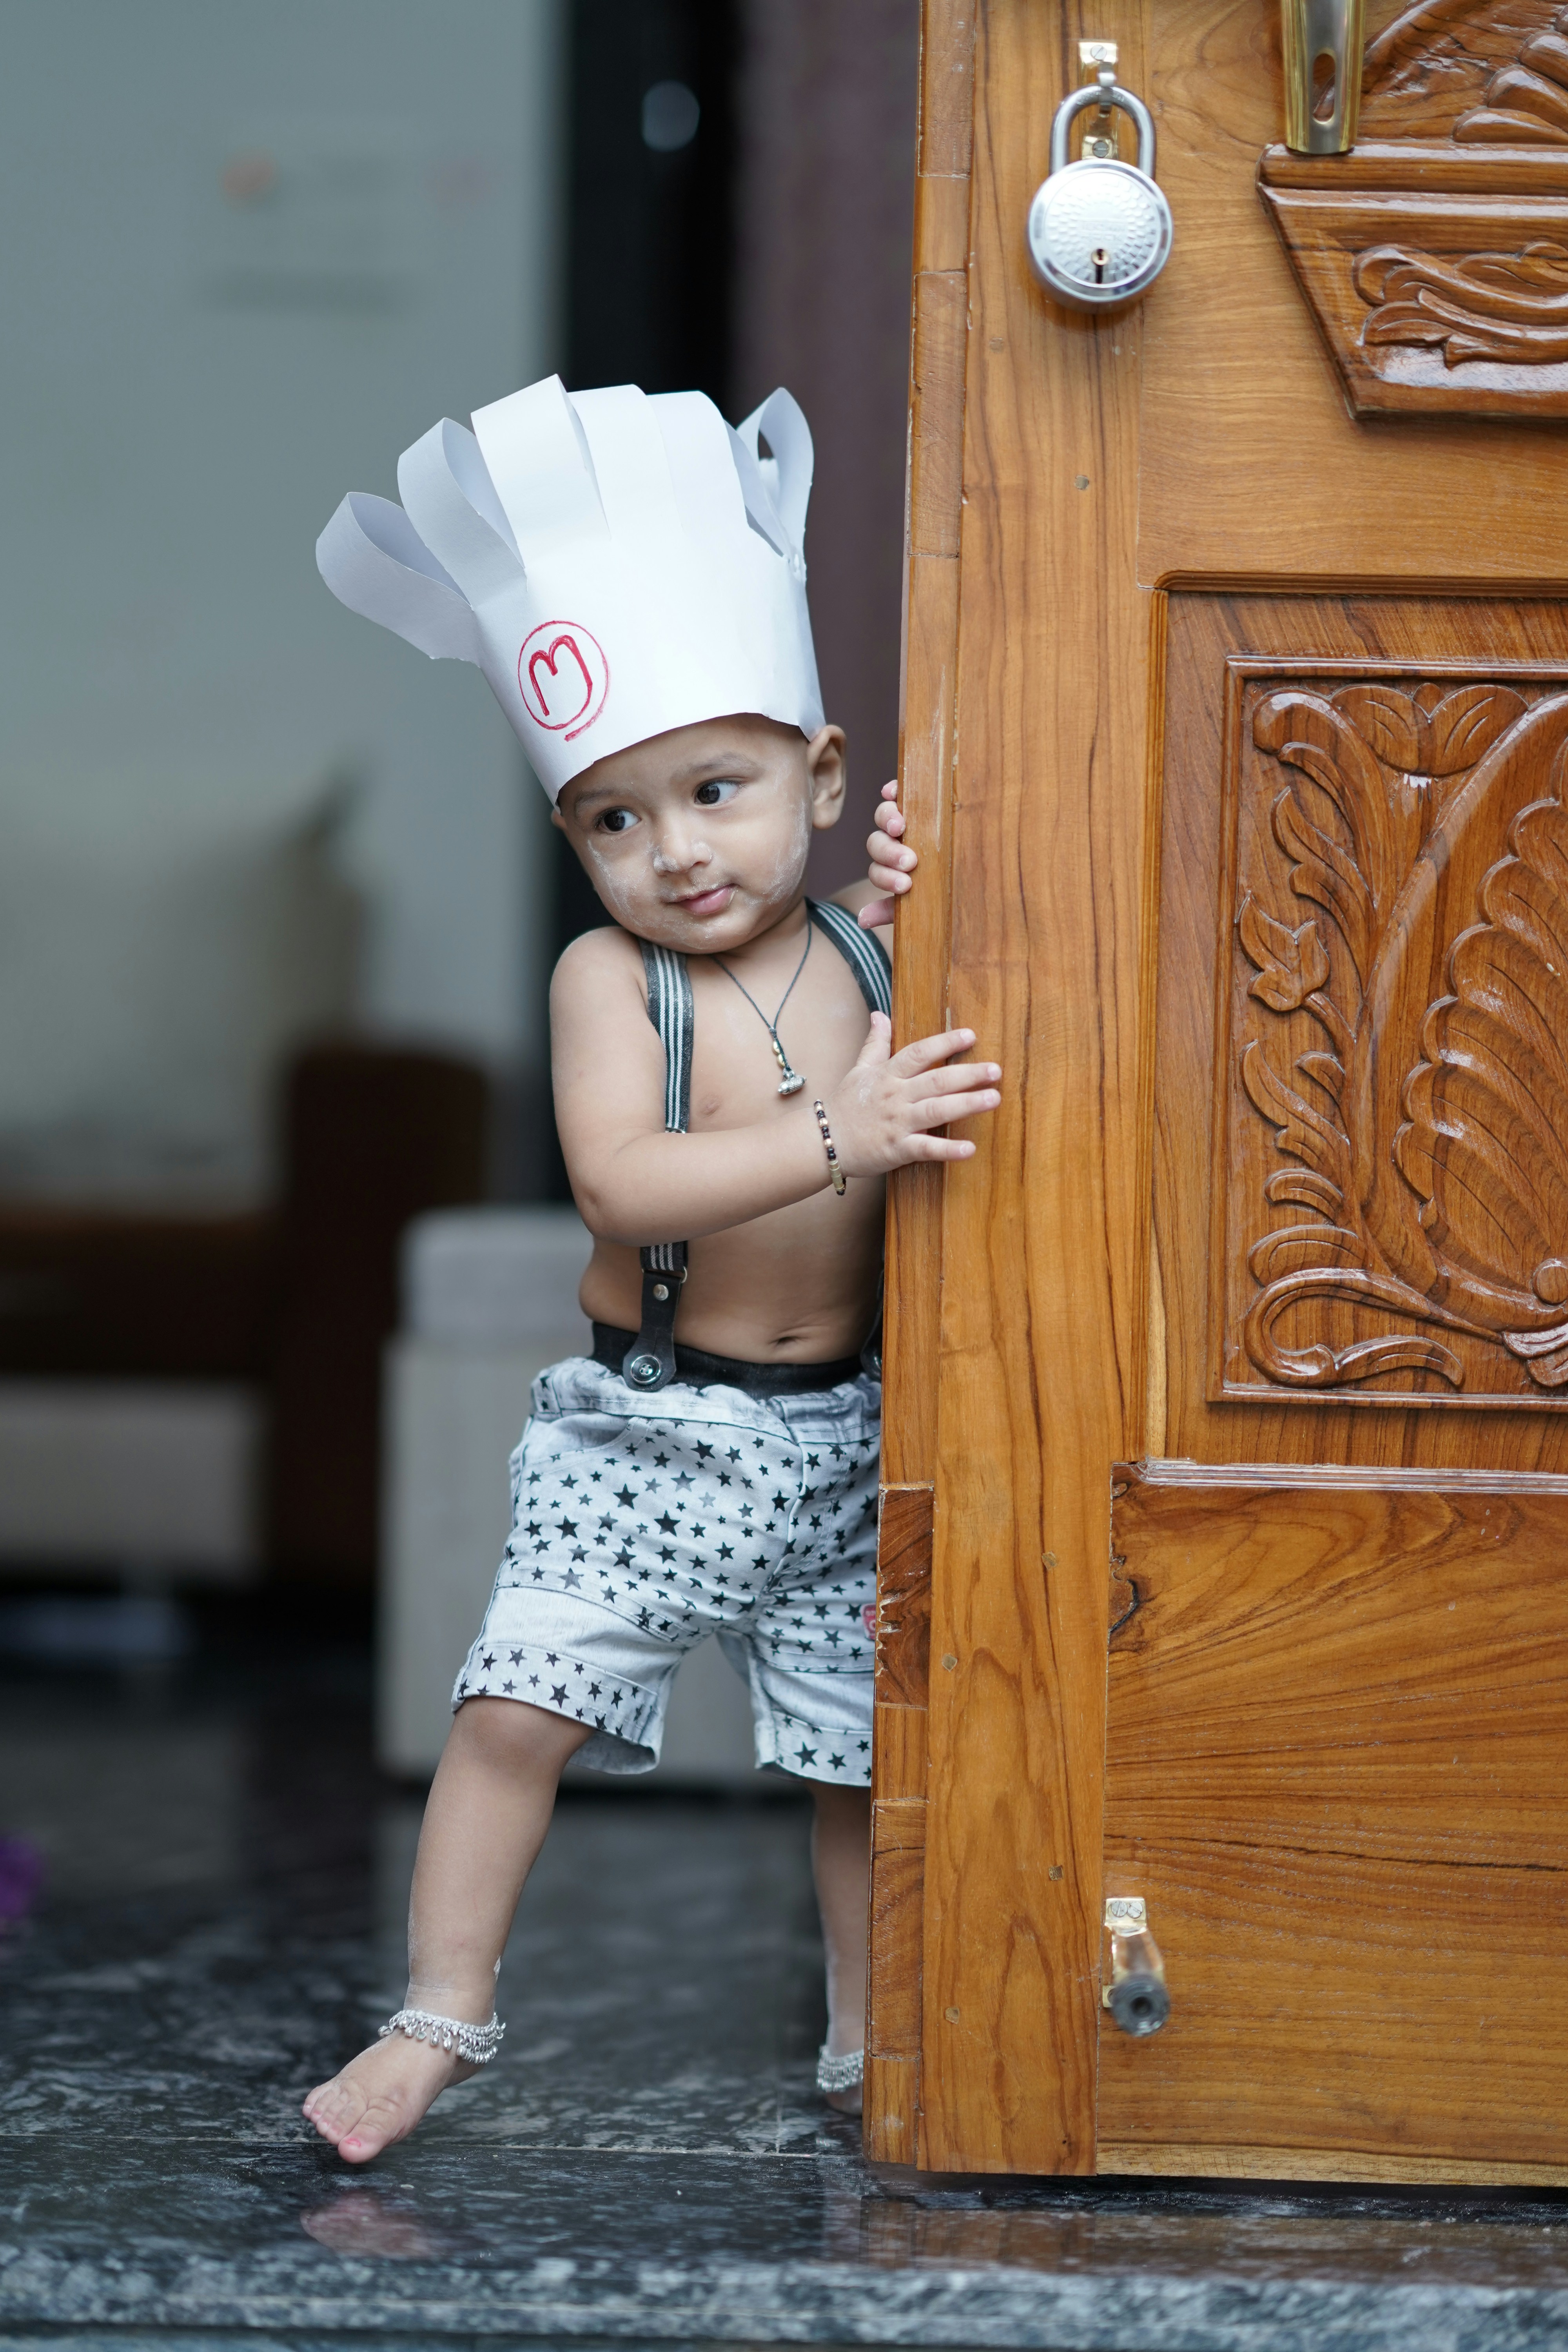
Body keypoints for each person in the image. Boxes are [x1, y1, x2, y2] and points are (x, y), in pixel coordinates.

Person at [302, 375, 997, 2163]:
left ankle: (874, 2037)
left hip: (846, 1439)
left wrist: (930, 899)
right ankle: (436, 2016)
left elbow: (943, 980)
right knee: (512, 1714)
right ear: (573, 840)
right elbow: (623, 1186)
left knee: (865, 1760)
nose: (677, 848)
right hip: (649, 1435)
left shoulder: (872, 949)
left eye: (718, 790)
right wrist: (848, 1127)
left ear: (820, 779)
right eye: (617, 819)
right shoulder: (610, 984)